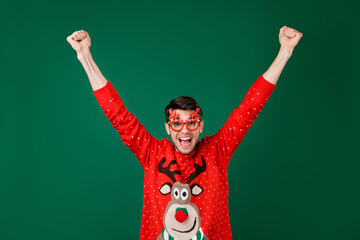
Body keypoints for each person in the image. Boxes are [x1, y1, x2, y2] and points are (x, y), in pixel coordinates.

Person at [66, 26, 303, 240]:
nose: (185, 130)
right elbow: (118, 115)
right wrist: (84, 55)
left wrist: (285, 52)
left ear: (201, 126)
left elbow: (249, 109)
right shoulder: (151, 153)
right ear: (168, 128)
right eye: (177, 123)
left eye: (192, 122)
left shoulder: (218, 150)